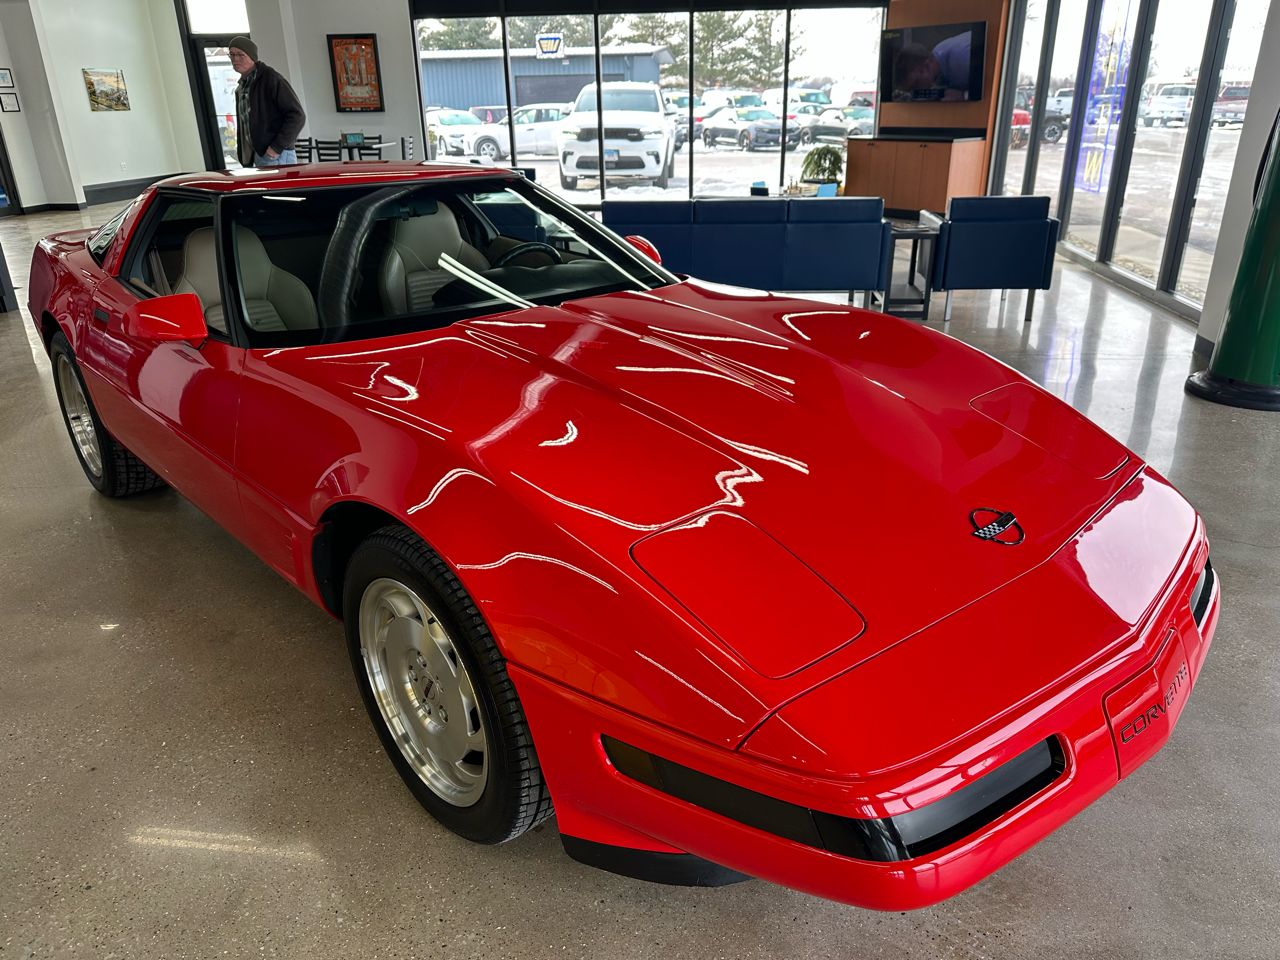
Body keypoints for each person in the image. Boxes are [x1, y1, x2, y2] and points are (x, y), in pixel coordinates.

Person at [228, 36, 306, 167]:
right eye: (232, 55)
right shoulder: (243, 86)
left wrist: (276, 147)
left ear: (252, 56)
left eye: (241, 54)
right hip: (257, 155)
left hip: (276, 155)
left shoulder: (271, 79)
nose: (235, 59)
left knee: (282, 188)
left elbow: (297, 115)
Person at [893, 32, 972, 102]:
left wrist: (964, 95)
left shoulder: (962, 58)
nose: (915, 93)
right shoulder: (937, 56)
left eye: (916, 85)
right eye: (910, 90)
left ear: (926, 66)